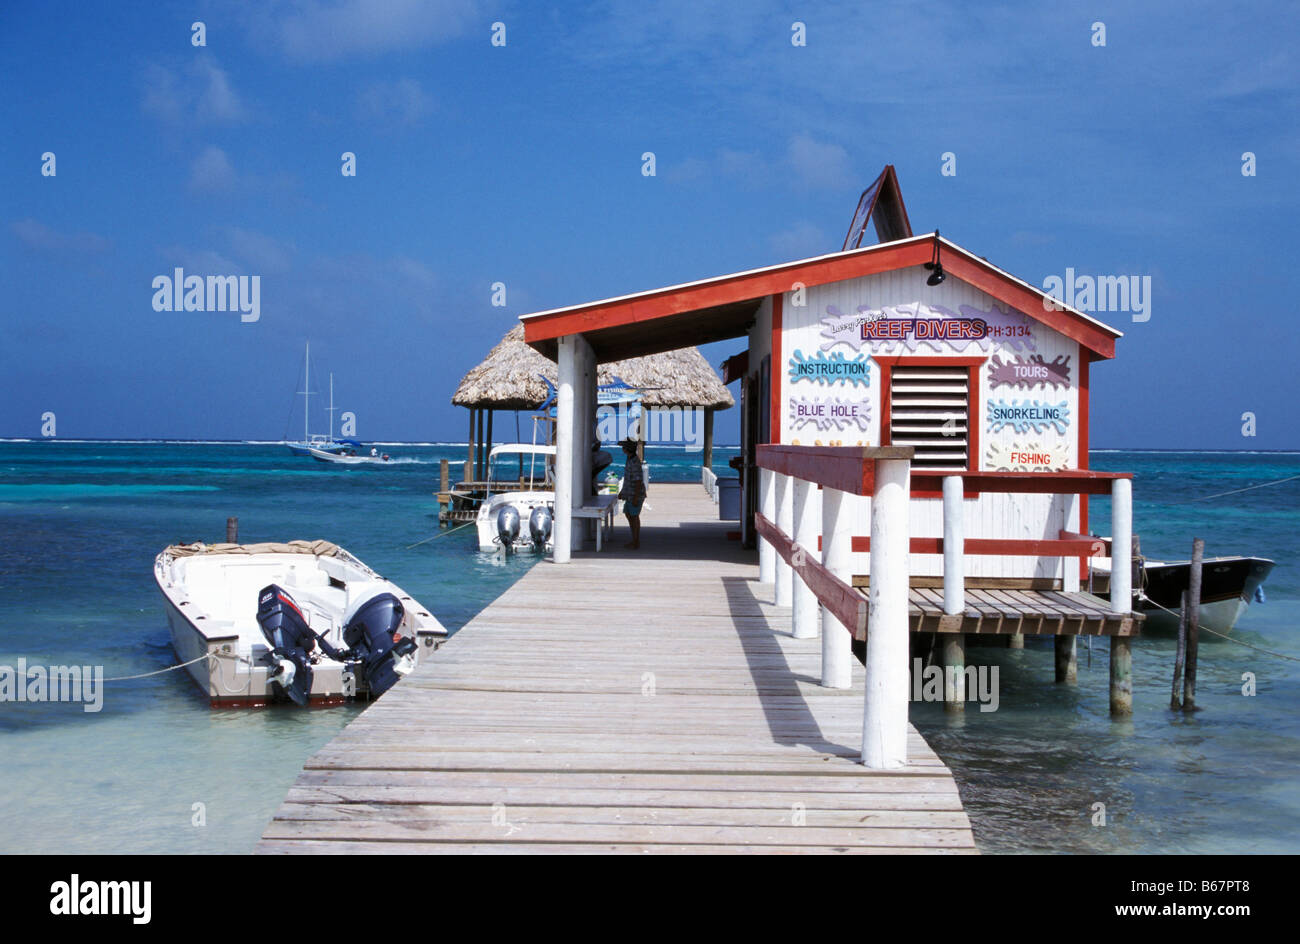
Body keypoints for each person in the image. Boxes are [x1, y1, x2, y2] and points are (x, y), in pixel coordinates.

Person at [617, 438, 646, 549]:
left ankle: (636, 541)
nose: (622, 449)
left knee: (634, 517)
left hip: (635, 494)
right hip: (629, 494)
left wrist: (635, 497)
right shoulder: (629, 459)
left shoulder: (634, 462)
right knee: (629, 514)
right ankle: (634, 539)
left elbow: (638, 481)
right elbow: (628, 479)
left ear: (627, 449)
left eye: (624, 447)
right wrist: (622, 492)